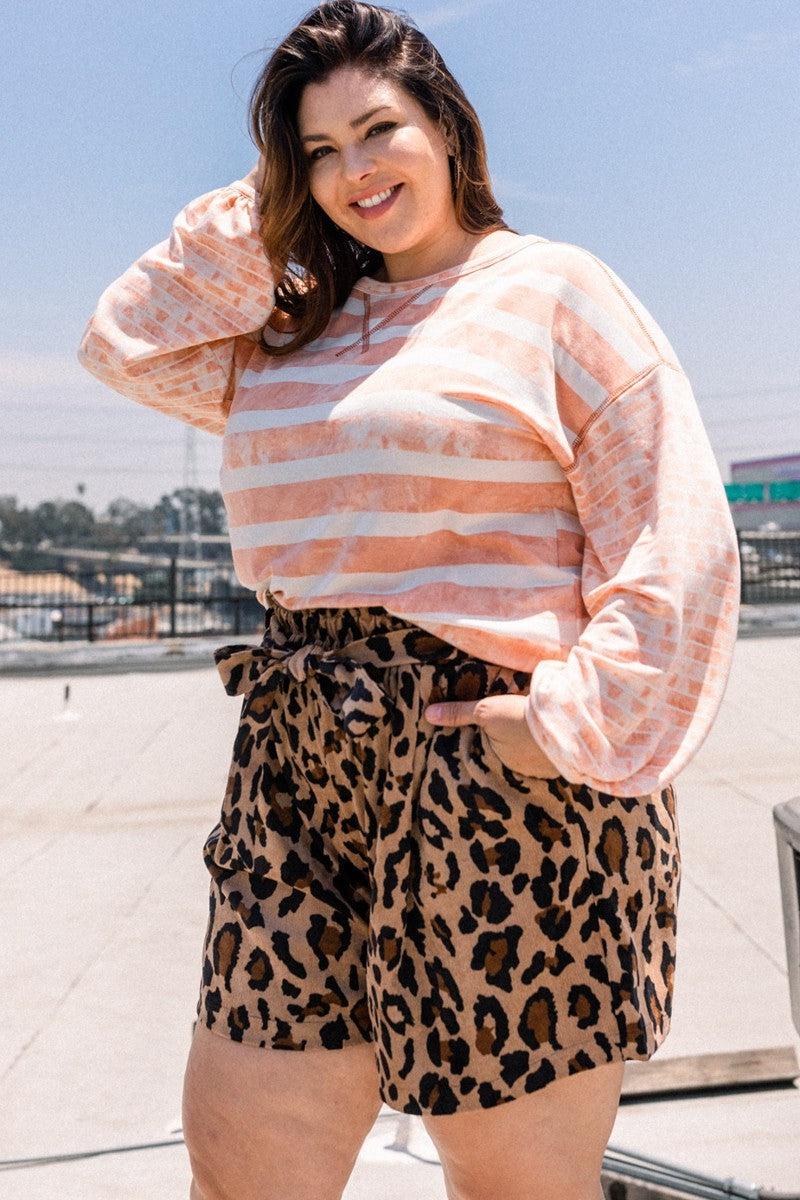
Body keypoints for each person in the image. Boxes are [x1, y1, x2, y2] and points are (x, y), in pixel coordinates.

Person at [76, 2, 741, 1197]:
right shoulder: (288, 331)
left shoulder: (555, 291)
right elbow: (126, 341)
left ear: (445, 127)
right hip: (295, 770)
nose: (353, 171)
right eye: (318, 150)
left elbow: (672, 531)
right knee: (239, 1168)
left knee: (513, 1189)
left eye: (377, 129)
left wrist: (570, 727)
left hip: (498, 779)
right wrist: (265, 194)